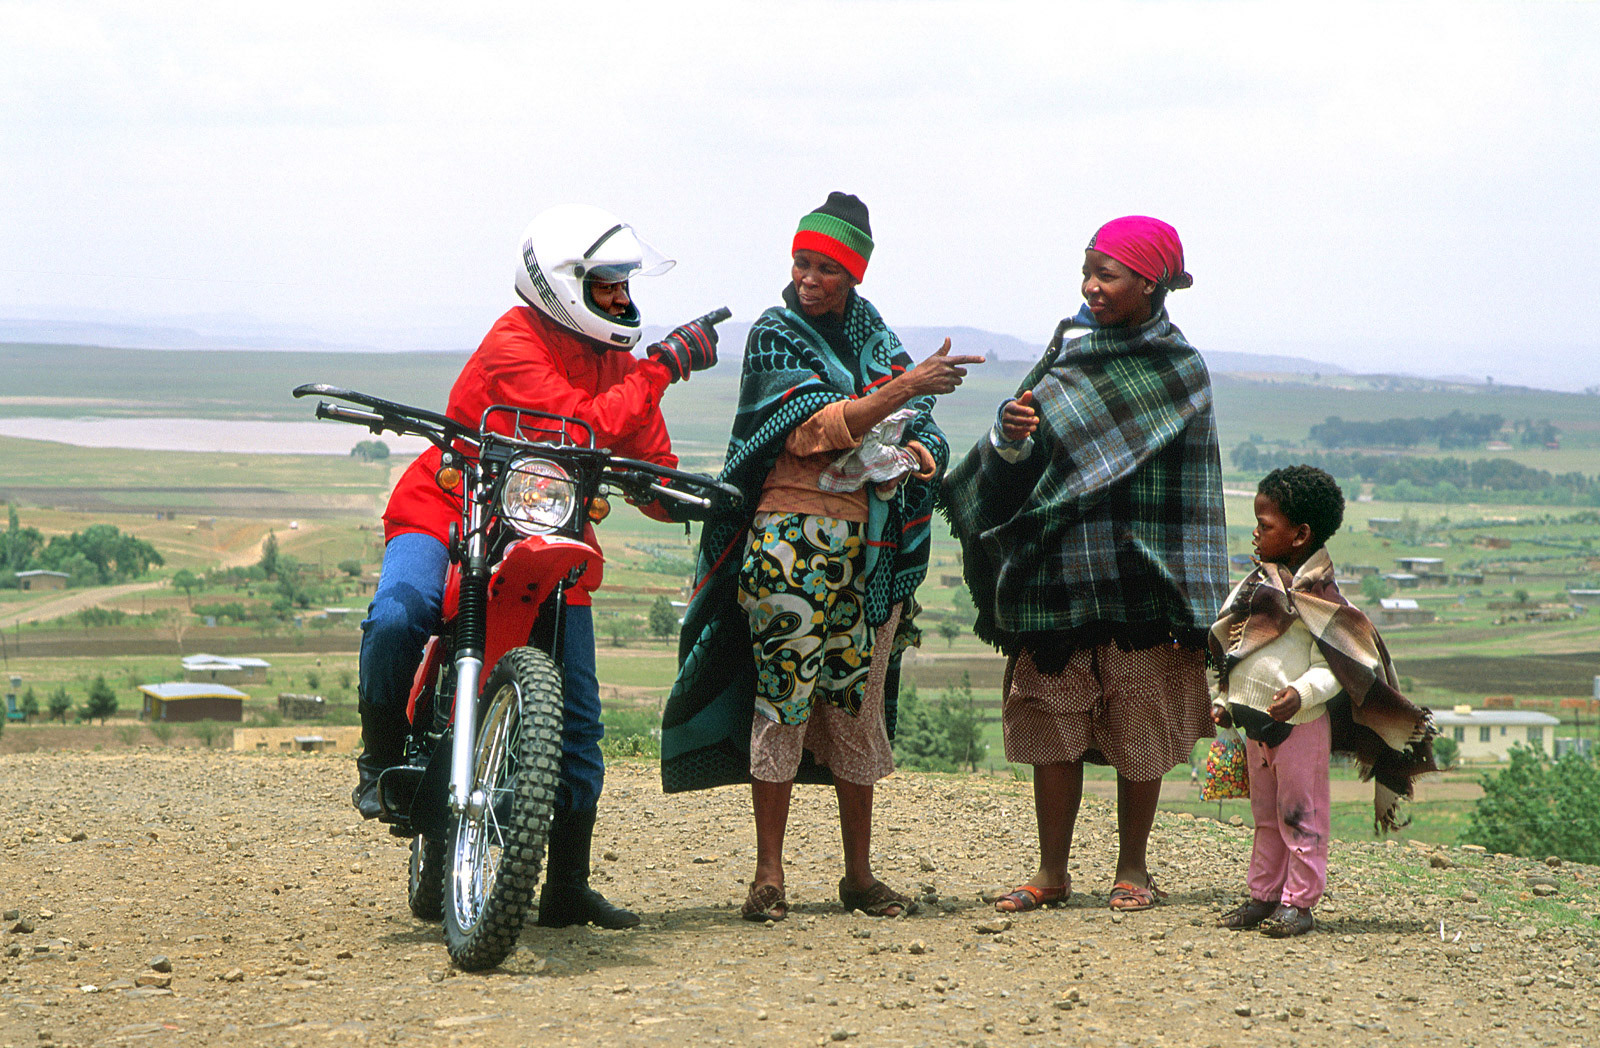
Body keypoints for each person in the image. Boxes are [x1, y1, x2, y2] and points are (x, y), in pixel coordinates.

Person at [358, 203, 723, 930]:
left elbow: (645, 457)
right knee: (399, 612)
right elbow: (576, 425)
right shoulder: (513, 341)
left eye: (624, 283)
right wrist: (661, 370)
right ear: (562, 284)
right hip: (449, 508)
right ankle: (379, 758)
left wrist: (690, 499)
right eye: (607, 283)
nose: (623, 297)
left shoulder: (620, 363)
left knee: (580, 720)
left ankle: (565, 886)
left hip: (546, 526)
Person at [660, 192, 983, 921]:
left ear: (853, 274)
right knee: (783, 700)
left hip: (870, 559)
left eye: (825, 267)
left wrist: (919, 455)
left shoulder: (878, 341)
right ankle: (768, 876)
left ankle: (859, 876)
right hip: (790, 544)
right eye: (801, 262)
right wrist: (903, 392)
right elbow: (814, 429)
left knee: (855, 709)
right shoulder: (777, 335)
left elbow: (927, 434)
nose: (807, 278)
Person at [942, 216, 1228, 914]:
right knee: (1052, 717)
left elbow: (1186, 484)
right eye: (1088, 271)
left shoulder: (1180, 368)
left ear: (1150, 282)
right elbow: (1024, 449)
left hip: (1142, 573)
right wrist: (1008, 437)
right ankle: (1050, 873)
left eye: (1108, 274)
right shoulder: (1068, 351)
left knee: (1140, 717)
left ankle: (1134, 868)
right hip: (1058, 567)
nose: (1091, 287)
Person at [1211, 465, 1436, 937]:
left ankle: (1299, 903)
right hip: (1257, 727)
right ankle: (1264, 896)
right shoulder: (1256, 589)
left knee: (1301, 816)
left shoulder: (1321, 601)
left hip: (1300, 727)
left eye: (1265, 525)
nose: (1255, 533)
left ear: (1300, 534)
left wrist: (1300, 693)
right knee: (1266, 817)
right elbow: (1237, 653)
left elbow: (1338, 668)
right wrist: (1226, 701)